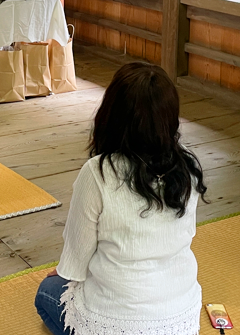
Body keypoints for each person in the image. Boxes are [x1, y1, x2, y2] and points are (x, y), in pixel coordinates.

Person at [34, 62, 207, 335]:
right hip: (179, 320)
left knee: (47, 292)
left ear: (111, 115)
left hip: (115, 318)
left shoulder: (98, 172)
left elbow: (76, 261)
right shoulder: (187, 167)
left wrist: (63, 272)